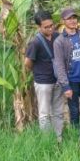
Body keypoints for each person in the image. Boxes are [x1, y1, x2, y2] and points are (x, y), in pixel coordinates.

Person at [53, 7, 80, 143]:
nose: (73, 21)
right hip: (71, 82)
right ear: (63, 21)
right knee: (74, 112)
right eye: (69, 18)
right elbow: (59, 65)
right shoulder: (59, 41)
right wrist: (65, 86)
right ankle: (75, 136)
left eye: (74, 18)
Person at [24, 10, 65, 142]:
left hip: (58, 80)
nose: (50, 29)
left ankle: (59, 139)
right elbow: (27, 63)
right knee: (44, 113)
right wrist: (39, 71)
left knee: (58, 112)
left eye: (51, 25)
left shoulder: (58, 37)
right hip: (43, 83)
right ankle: (48, 141)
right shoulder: (35, 42)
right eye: (46, 27)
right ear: (39, 27)